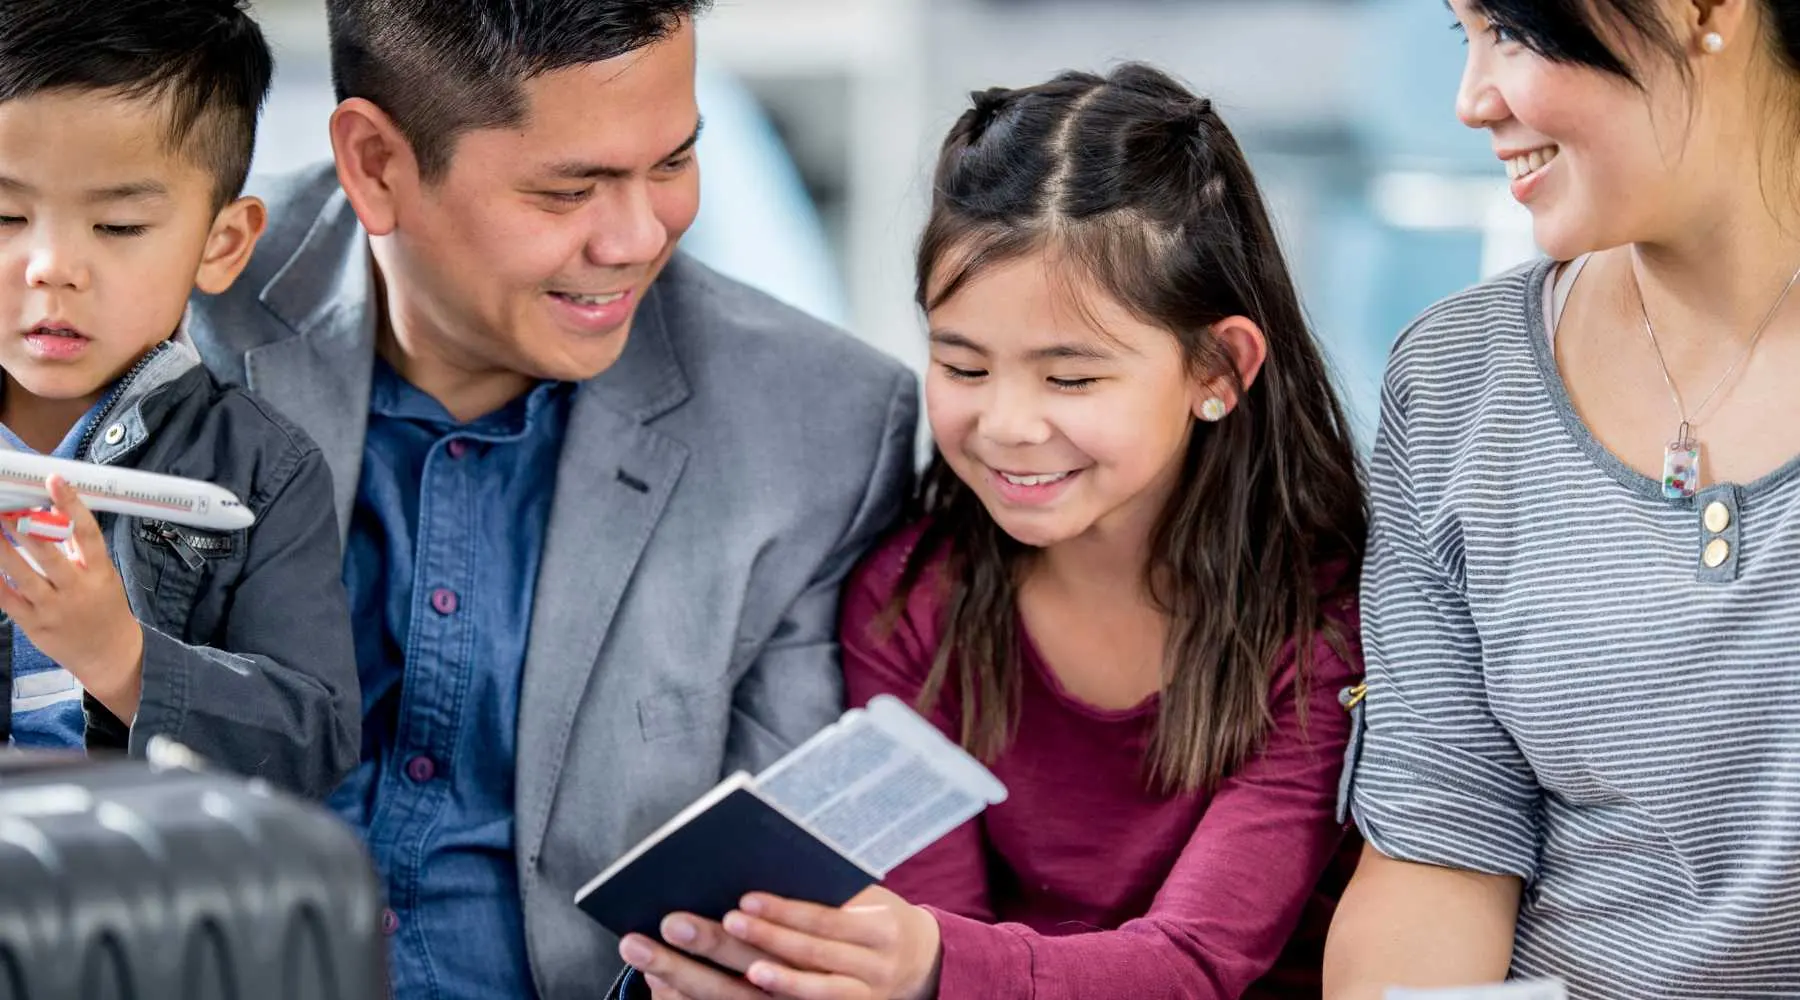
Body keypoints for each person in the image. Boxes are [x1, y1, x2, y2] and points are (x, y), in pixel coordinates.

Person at [184, 1, 917, 997]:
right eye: (569, 189)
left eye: (672, 162)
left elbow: (770, 889)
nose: (635, 236)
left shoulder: (819, 427)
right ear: (375, 163)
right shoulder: (156, 307)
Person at [620, 63, 1369, 1000]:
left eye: (1070, 378)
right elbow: (942, 926)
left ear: (1219, 367)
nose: (1008, 423)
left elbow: (1197, 965)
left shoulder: (1325, 620)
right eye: (963, 366)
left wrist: (926, 961)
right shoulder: (911, 602)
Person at [1323, 1, 1800, 996]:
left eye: (1514, 31)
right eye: (1467, 34)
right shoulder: (1455, 380)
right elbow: (1441, 849)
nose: (1470, 102)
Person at [0, 0, 357, 796]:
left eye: (120, 226)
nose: (51, 266)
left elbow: (316, 742)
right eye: (5, 215)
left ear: (221, 244)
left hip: (133, 893)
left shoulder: (262, 470)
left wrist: (122, 659)